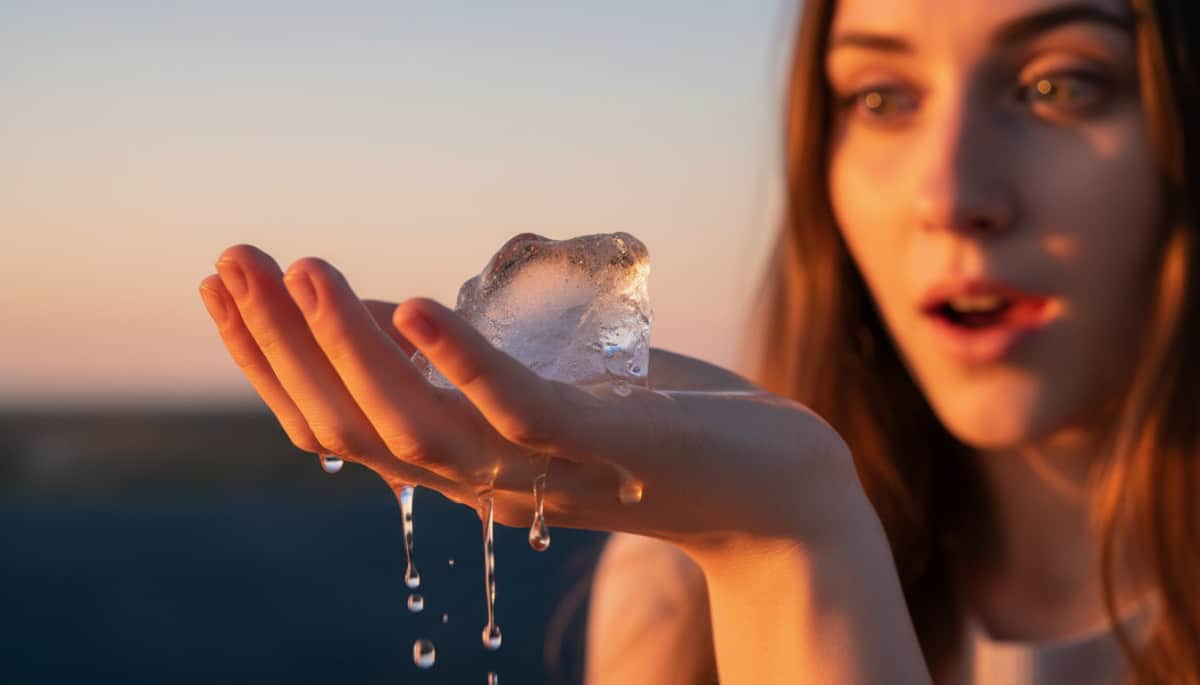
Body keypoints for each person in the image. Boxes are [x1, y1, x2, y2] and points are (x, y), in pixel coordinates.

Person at [197, 0, 1200, 682]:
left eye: (1060, 84)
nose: (949, 194)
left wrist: (787, 538)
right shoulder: (674, 588)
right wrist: (771, 539)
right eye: (881, 98)